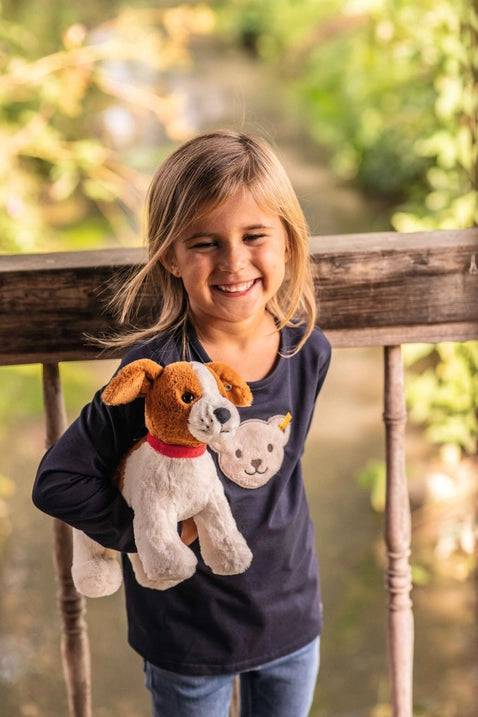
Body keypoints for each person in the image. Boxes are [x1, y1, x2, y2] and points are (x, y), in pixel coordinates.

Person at [32, 129, 331, 717]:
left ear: (289, 243)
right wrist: (148, 533)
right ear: (169, 254)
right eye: (205, 243)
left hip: (292, 617)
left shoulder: (308, 350)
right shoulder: (156, 375)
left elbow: (278, 478)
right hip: (184, 637)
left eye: (254, 237)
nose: (234, 262)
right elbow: (57, 481)